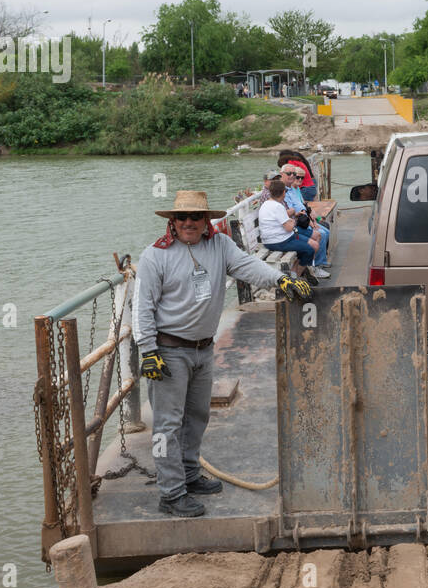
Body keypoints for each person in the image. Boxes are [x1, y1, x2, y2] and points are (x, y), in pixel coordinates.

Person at [134, 190, 311, 518]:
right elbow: (142, 307)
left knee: (198, 416)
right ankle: (171, 493)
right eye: (182, 217)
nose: (189, 223)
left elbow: (249, 267)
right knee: (167, 425)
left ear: (206, 221)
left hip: (204, 348)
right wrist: (147, 351)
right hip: (169, 351)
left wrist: (282, 281)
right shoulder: (154, 256)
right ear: (172, 221)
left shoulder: (220, 246)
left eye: (195, 217)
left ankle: (189, 473)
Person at [260, 179, 327, 276]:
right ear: (283, 192)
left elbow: (286, 223)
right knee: (310, 250)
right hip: (279, 241)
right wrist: (291, 221)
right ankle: (296, 277)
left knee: (314, 245)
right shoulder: (277, 207)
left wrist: (290, 220)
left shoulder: (267, 204)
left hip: (278, 238)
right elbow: (289, 227)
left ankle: (294, 271)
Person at [281, 165, 330, 272]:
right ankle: (316, 265)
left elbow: (304, 206)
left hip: (302, 220)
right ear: (282, 175)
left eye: (298, 176)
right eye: (291, 174)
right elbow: (293, 213)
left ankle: (319, 262)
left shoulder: (293, 189)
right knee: (321, 233)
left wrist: (314, 220)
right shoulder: (285, 191)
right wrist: (311, 222)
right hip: (297, 223)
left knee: (325, 230)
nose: (296, 178)